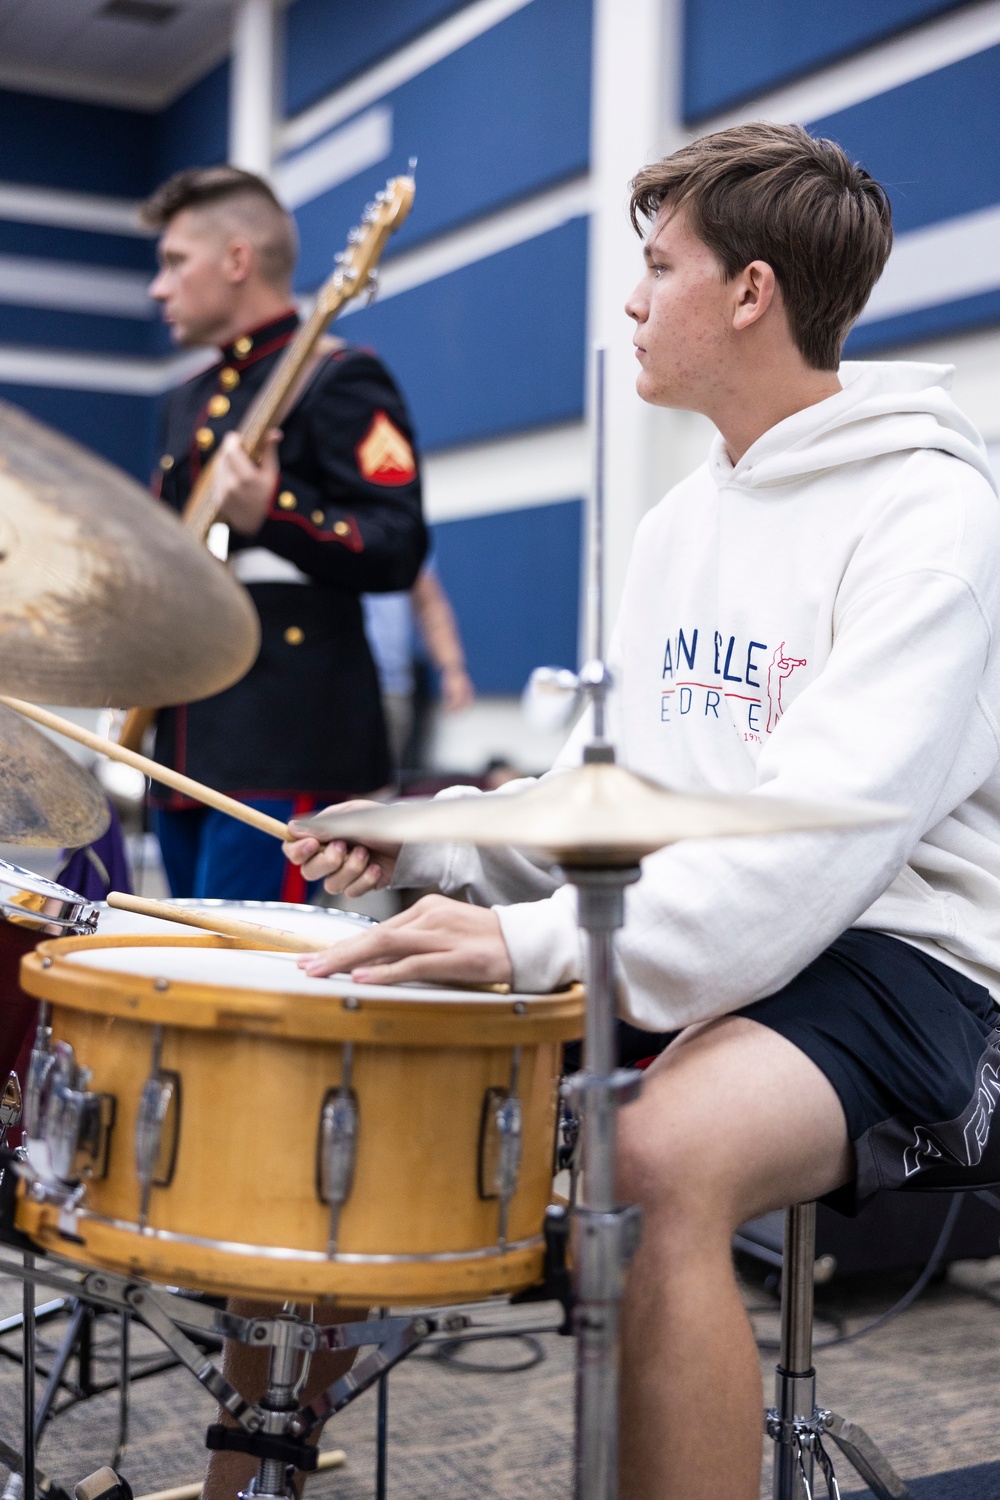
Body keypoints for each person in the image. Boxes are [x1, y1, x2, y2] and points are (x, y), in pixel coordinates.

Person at [282, 122, 1000, 1498]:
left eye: (658, 264)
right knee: (358, 1009)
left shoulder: (929, 512)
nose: (629, 298)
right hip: (720, 920)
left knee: (651, 1151)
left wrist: (530, 945)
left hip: (912, 952)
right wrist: (438, 834)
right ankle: (261, 1458)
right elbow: (627, 795)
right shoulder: (683, 522)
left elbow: (824, 836)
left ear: (751, 292)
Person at [144, 165, 427, 901]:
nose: (157, 287)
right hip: (183, 738)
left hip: (285, 739)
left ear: (237, 260)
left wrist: (275, 511)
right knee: (179, 968)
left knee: (252, 990)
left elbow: (397, 542)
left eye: (175, 262)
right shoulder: (188, 400)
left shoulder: (341, 378)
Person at [362, 559, 475, 779]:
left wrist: (453, 669)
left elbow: (429, 603)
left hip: (390, 685)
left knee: (376, 793)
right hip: (328, 682)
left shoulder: (403, 529)